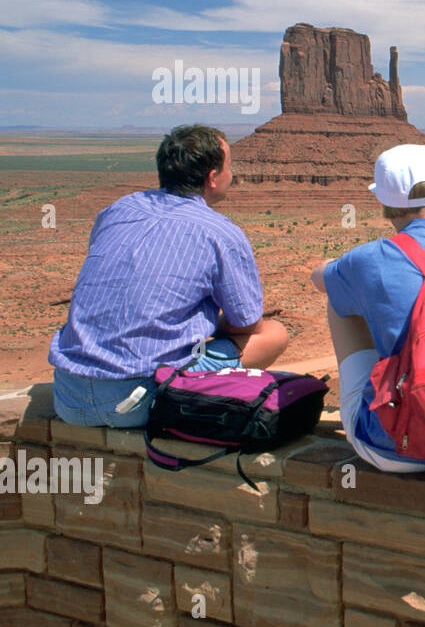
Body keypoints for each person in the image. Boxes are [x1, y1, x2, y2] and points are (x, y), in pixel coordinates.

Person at [49, 124, 288, 427]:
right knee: (274, 333)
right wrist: (204, 321)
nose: (234, 175)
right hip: (138, 401)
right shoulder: (220, 232)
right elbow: (248, 323)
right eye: (229, 167)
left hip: (69, 397)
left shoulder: (118, 209)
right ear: (212, 178)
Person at [310, 143, 425, 472]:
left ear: (383, 201)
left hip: (398, 450)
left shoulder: (368, 258)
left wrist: (335, 267)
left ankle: (380, 403)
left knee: (339, 297)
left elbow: (319, 279)